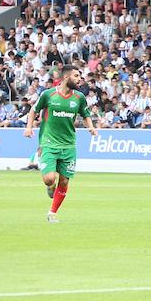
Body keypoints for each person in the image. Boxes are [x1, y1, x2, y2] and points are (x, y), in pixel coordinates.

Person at [23, 68, 98, 224]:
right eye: (76, 76)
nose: (80, 79)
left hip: (69, 145)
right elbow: (33, 110)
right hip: (49, 143)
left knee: (64, 181)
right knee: (49, 179)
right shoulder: (48, 94)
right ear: (66, 77)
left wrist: (90, 127)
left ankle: (52, 212)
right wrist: (29, 127)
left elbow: (86, 115)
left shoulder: (79, 97)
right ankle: (50, 187)